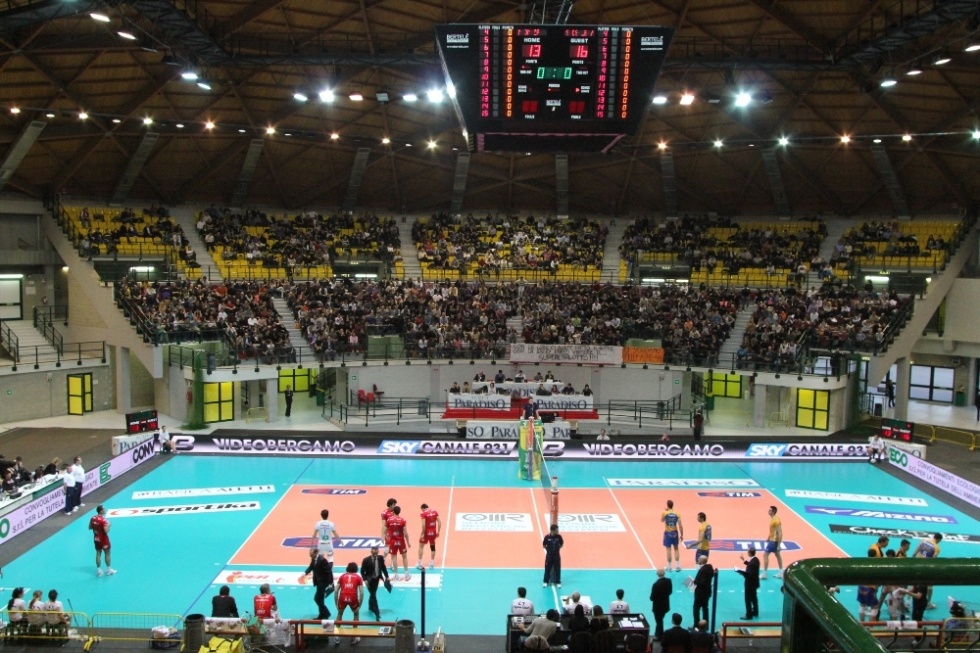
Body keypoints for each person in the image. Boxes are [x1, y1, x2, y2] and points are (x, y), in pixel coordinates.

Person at [334, 562, 364, 646]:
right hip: (353, 597)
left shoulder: (342, 576)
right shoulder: (358, 577)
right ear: (356, 569)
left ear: (347, 568)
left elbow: (336, 591)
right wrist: (360, 605)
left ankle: (336, 636)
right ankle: (354, 637)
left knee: (340, 613)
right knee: (356, 614)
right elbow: (361, 593)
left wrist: (336, 603)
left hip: (342, 597)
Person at [302, 547, 334, 620]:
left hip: (323, 583)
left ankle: (325, 613)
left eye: (311, 553)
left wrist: (330, 583)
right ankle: (323, 615)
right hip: (318, 582)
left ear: (315, 553)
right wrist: (305, 573)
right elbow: (311, 567)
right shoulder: (314, 558)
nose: (309, 554)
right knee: (320, 599)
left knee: (317, 599)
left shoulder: (322, 560)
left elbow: (329, 572)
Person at [360, 545, 388, 621]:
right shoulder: (366, 560)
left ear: (378, 551)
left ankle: (370, 607)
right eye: (373, 549)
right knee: (373, 594)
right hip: (369, 580)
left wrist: (387, 577)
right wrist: (365, 580)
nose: (375, 551)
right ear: (371, 551)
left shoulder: (380, 558)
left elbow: (383, 568)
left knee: (373, 594)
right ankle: (376, 612)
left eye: (376, 550)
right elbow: (362, 571)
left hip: (377, 579)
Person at [88, 504, 116, 577]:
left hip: (96, 539)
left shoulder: (93, 518)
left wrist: (96, 528)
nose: (105, 510)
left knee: (98, 554)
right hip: (104, 540)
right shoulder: (104, 521)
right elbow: (106, 531)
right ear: (101, 511)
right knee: (107, 554)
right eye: (103, 509)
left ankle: (99, 571)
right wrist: (109, 525)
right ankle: (109, 570)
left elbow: (89, 527)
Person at [735, 547, 760, 620]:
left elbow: (749, 574)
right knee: (754, 598)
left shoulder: (752, 563)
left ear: (749, 553)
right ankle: (755, 611)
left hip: (750, 584)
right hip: (754, 583)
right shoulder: (756, 560)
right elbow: (750, 565)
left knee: (748, 599)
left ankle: (749, 615)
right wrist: (744, 560)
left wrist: (740, 571)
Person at [386, 505, 410, 581]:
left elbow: (386, 530)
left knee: (394, 557)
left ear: (393, 512)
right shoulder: (402, 520)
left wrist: (387, 538)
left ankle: (396, 575)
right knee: (404, 557)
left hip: (393, 541)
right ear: (399, 512)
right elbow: (405, 533)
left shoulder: (389, 520)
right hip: (401, 541)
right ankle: (406, 574)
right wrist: (408, 542)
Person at [416, 503, 442, 570]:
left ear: (423, 508)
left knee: (421, 546)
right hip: (433, 532)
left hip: (426, 532)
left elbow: (423, 525)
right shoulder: (435, 512)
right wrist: (438, 532)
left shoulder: (423, 514)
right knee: (432, 547)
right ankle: (432, 563)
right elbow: (439, 522)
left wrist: (422, 533)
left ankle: (419, 563)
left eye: (422, 510)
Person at [650, 568, 672, 641]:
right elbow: (670, 592)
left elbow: (652, 597)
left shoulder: (656, 584)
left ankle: (660, 636)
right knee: (660, 620)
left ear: (657, 574)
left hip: (658, 607)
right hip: (665, 605)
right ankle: (657, 633)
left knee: (659, 621)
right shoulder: (669, 581)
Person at [661, 499, 684, 572]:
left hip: (668, 533)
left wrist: (666, 511)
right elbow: (680, 526)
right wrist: (682, 535)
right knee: (676, 549)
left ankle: (669, 567)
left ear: (667, 505)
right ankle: (677, 566)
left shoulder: (665, 513)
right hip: (675, 533)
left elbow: (662, 520)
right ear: (672, 505)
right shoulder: (677, 513)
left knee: (668, 549)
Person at [762, 506, 783, 579]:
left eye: (770, 510)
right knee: (778, 555)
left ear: (773, 512)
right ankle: (781, 572)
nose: (768, 511)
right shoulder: (772, 519)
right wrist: (768, 538)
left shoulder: (776, 521)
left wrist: (779, 545)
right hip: (772, 540)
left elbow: (780, 533)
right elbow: (772, 531)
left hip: (774, 541)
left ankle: (764, 573)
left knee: (765, 555)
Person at [692, 556, 714, 624]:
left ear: (702, 561)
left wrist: (694, 581)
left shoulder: (702, 570)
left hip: (701, 593)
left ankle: (696, 624)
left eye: (699, 559)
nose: (698, 560)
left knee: (696, 609)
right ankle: (705, 624)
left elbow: (702, 583)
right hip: (707, 592)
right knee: (705, 608)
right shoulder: (709, 568)